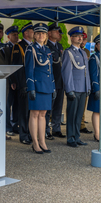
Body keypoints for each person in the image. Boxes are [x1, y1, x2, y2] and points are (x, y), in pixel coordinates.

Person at [25, 23, 55, 154]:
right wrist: (30, 87)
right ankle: (35, 143)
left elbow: (51, 70)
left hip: (47, 86)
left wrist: (53, 87)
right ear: (35, 35)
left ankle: (42, 141)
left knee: (43, 115)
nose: (41, 35)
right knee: (35, 114)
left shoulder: (47, 50)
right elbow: (29, 70)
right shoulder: (30, 49)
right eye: (38, 33)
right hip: (36, 86)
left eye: (43, 33)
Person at [61, 26, 91, 147]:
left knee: (79, 115)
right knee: (72, 114)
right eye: (78, 36)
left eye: (81, 36)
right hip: (74, 88)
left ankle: (77, 136)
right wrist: (69, 89)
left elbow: (86, 72)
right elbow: (66, 72)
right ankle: (70, 138)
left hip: (83, 88)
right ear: (72, 38)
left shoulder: (83, 52)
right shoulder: (68, 52)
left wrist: (88, 86)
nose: (80, 38)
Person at [11, 22, 34, 145]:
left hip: (33, 84)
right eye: (32, 30)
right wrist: (20, 84)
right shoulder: (18, 46)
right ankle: (24, 134)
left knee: (32, 111)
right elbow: (16, 67)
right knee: (24, 111)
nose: (34, 33)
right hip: (24, 83)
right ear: (26, 33)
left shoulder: (34, 46)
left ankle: (31, 133)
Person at [45, 23, 66, 139]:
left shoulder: (60, 46)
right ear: (49, 33)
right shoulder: (46, 46)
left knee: (58, 106)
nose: (59, 34)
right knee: (49, 107)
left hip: (60, 81)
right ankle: (46, 130)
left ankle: (56, 128)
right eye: (57, 31)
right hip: (51, 82)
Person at [5, 26, 20, 135]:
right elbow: (8, 65)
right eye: (14, 35)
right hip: (10, 80)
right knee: (8, 104)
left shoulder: (19, 47)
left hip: (18, 80)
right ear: (8, 36)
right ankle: (8, 127)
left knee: (17, 105)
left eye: (17, 34)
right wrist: (11, 81)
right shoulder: (6, 47)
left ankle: (15, 124)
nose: (16, 36)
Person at [79, 32, 93, 134]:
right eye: (81, 39)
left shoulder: (87, 52)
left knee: (83, 105)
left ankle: (82, 124)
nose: (83, 41)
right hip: (76, 82)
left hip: (85, 81)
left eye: (84, 40)